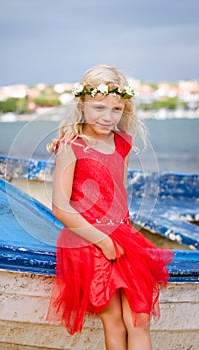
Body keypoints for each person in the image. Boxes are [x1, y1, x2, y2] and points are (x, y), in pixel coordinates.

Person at [46, 64, 174, 350]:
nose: (108, 117)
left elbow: (117, 193)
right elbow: (60, 207)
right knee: (113, 320)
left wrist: (117, 238)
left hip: (123, 238)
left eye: (116, 110)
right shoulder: (72, 145)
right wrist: (103, 242)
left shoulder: (122, 144)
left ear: (125, 110)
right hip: (87, 241)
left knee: (139, 319)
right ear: (83, 104)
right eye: (99, 107)